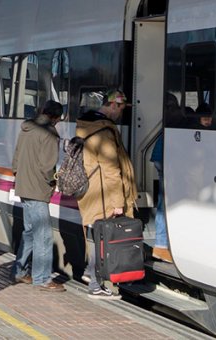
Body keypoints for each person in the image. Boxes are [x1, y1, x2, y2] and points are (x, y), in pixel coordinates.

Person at [76, 90, 137, 299]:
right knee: (103, 239)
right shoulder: (103, 132)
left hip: (93, 191)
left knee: (97, 236)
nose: (121, 113)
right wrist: (118, 202)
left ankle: (89, 274)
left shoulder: (87, 126)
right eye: (120, 108)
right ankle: (95, 284)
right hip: (103, 195)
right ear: (113, 105)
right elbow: (111, 171)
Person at [10, 100, 66, 293]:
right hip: (37, 189)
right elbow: (46, 166)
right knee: (43, 235)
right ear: (56, 118)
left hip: (23, 186)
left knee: (29, 232)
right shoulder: (50, 134)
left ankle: (19, 271)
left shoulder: (27, 128)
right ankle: (42, 278)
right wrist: (52, 182)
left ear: (42, 111)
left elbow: (16, 159)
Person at [150, 93, 179, 263]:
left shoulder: (166, 116)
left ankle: (162, 245)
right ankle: (162, 245)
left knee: (163, 200)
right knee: (167, 202)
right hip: (169, 158)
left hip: (160, 156)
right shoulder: (179, 116)